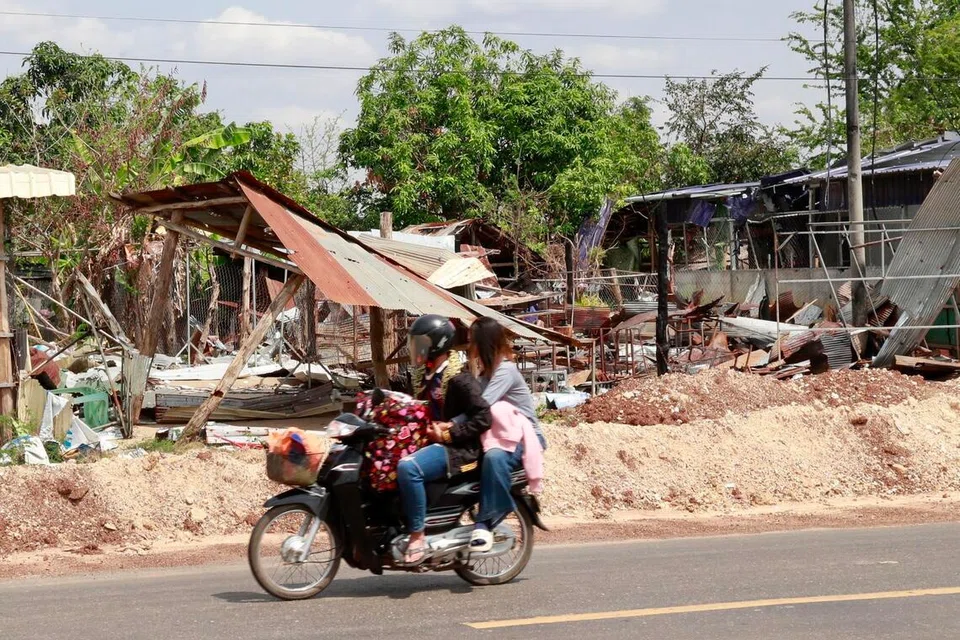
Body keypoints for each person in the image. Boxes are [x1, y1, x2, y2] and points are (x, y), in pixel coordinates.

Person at [396, 315, 491, 565]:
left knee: (408, 468)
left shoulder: (459, 378)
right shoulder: (424, 376)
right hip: (433, 444)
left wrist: (449, 433)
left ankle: (417, 536)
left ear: (437, 345)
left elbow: (483, 416)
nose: (415, 349)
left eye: (420, 343)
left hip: (459, 450)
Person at [457, 317, 547, 552]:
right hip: (501, 435)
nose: (470, 347)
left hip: (525, 439)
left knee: (494, 458)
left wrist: (452, 425)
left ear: (483, 343)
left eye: (472, 342)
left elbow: (481, 407)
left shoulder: (505, 371)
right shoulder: (484, 375)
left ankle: (486, 521)